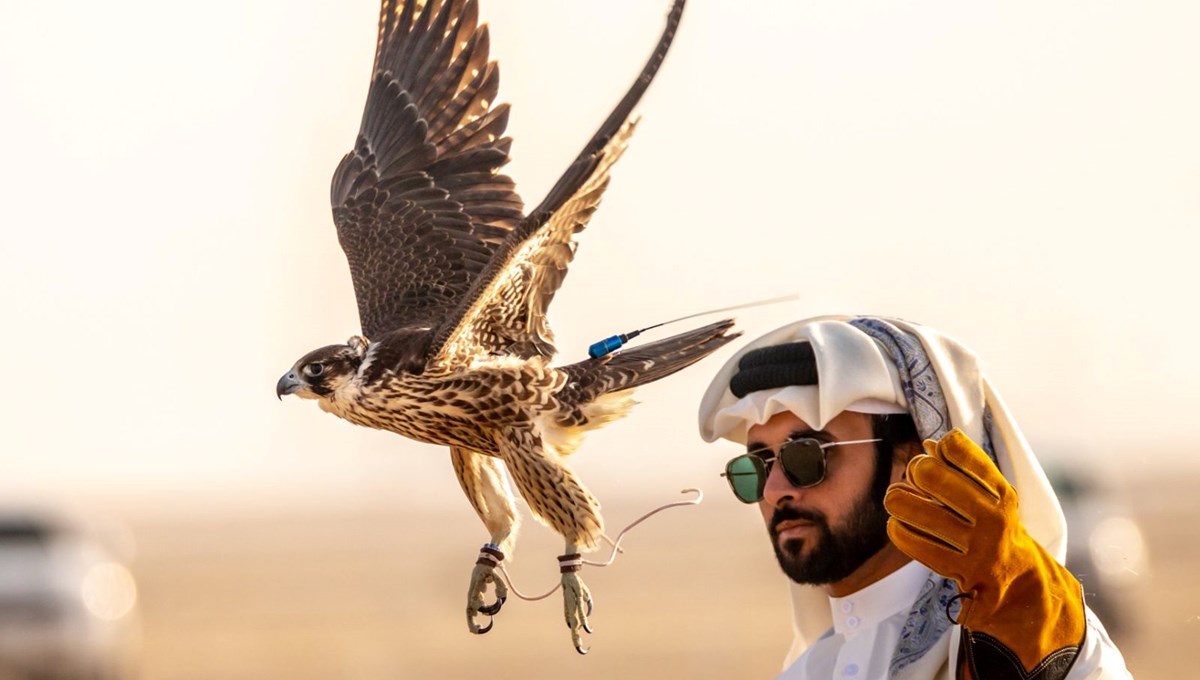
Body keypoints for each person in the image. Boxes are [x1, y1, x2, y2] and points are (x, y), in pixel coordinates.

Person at [698, 315, 1132, 679]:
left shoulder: (1029, 640)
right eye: (756, 466)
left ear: (910, 459)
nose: (775, 491)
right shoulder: (806, 672)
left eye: (806, 457)